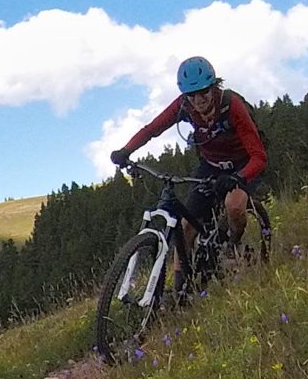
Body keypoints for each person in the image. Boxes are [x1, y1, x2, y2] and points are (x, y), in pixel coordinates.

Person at [109, 56, 267, 278]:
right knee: (185, 227)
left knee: (234, 205)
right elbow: (152, 129)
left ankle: (233, 243)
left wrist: (239, 177)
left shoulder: (232, 106)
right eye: (192, 95)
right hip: (210, 165)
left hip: (242, 164)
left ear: (214, 86)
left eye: (204, 91)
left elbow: (259, 156)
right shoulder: (183, 106)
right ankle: (181, 288)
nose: (199, 99)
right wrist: (126, 151)